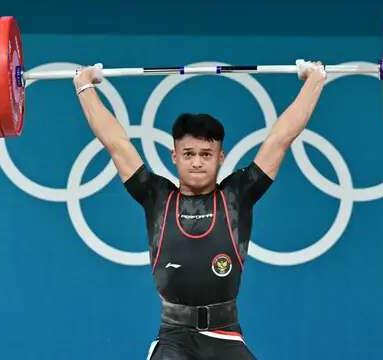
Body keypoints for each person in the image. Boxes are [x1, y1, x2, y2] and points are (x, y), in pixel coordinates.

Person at [73, 61, 326, 359]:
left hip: (225, 334)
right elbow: (115, 143)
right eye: (189, 154)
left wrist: (314, 81)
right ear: (174, 157)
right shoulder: (156, 196)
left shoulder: (238, 194)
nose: (196, 162)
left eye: (206, 154)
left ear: (221, 157)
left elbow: (280, 139)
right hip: (174, 338)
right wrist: (85, 86)